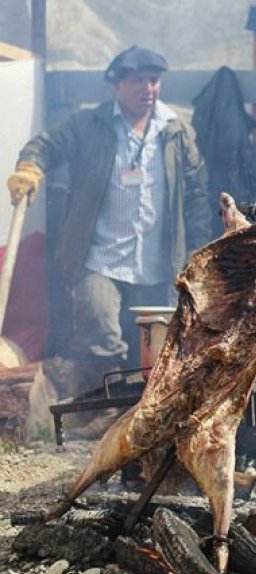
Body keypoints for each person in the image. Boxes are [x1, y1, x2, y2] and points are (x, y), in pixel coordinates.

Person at [6, 46, 212, 398]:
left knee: (154, 347)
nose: (147, 89)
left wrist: (198, 254)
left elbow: (196, 197)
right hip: (98, 258)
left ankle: (139, 416)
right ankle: (96, 408)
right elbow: (46, 145)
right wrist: (30, 167)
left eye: (153, 81)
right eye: (137, 81)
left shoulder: (176, 133)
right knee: (98, 335)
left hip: (157, 262)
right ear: (116, 86)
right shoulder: (91, 125)